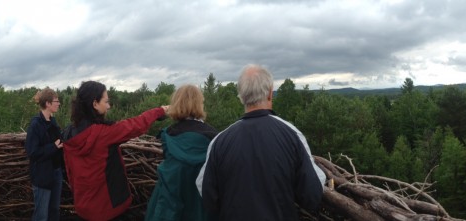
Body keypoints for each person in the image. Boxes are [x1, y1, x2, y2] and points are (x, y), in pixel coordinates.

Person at [196, 64, 326, 220]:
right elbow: (311, 196)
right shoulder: (292, 134)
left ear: (241, 97)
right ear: (270, 93)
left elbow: (207, 194)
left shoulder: (220, 141)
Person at [61, 81, 168, 221]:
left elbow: (70, 171)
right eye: (106, 101)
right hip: (107, 209)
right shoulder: (102, 134)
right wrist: (160, 111)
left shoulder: (69, 133)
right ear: (95, 104)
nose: (109, 106)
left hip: (83, 206)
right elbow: (135, 125)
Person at [146, 85, 216, 221]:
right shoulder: (214, 138)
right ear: (199, 104)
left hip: (170, 204)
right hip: (201, 205)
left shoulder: (167, 135)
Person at [25, 87, 64, 221]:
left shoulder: (52, 121)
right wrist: (53, 146)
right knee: (41, 215)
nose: (58, 103)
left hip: (56, 172)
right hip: (42, 176)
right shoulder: (35, 124)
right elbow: (32, 152)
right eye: (56, 101)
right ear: (47, 103)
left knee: (54, 211)